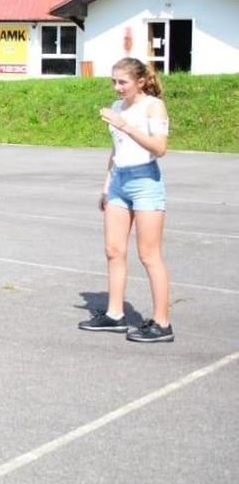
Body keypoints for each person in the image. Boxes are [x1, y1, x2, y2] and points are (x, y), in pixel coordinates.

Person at [80, 57, 173, 343]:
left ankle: (162, 323)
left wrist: (126, 126)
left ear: (140, 82)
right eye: (114, 81)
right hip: (120, 181)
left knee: (149, 255)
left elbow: (160, 148)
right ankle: (115, 314)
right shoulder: (118, 107)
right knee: (113, 250)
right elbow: (116, 149)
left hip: (145, 181)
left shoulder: (152, 106)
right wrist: (106, 186)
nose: (116, 87)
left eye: (123, 82)